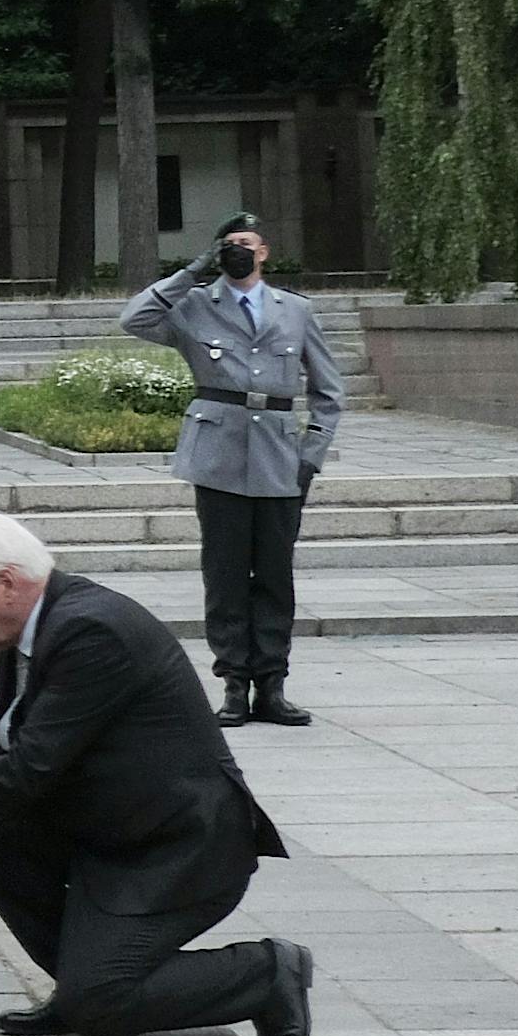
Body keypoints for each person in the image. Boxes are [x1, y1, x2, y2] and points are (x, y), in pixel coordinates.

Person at [0, 514, 314, 1036]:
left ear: (7, 583)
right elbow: (17, 765)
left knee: (100, 1006)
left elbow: (30, 770)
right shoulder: (26, 633)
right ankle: (80, 972)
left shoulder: (92, 631)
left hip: (177, 849)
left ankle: (264, 971)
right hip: (106, 832)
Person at [120, 211, 344, 727]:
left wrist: (311, 454)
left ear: (264, 252)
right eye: (229, 245)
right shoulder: (196, 305)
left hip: (281, 459)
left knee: (274, 576)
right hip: (218, 456)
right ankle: (234, 687)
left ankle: (273, 685)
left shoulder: (295, 310)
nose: (239, 251)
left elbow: (329, 394)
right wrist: (194, 269)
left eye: (247, 243)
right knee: (223, 575)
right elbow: (134, 319)